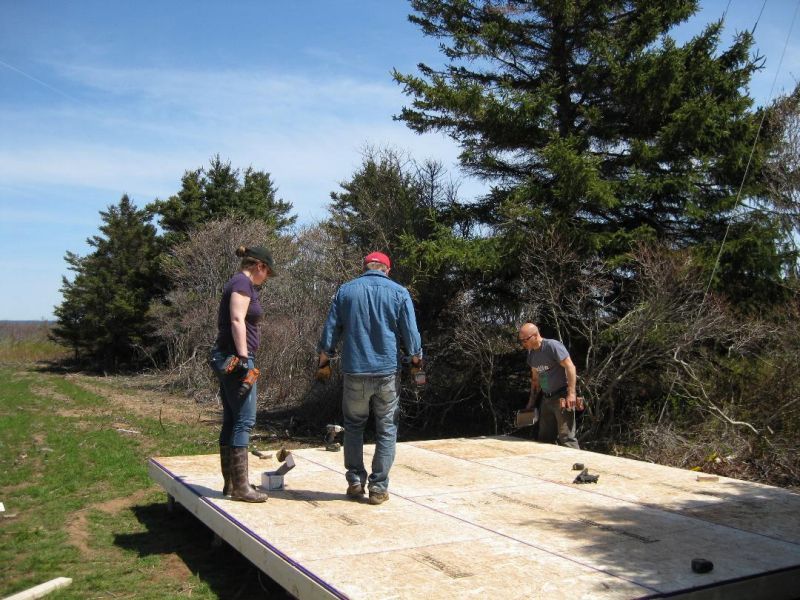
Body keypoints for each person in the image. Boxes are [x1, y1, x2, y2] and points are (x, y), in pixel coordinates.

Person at [316, 251, 423, 505]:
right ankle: (378, 487)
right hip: (386, 372)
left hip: (355, 371)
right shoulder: (399, 292)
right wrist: (416, 360)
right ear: (387, 269)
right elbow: (410, 333)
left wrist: (324, 360)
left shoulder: (346, 291)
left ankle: (354, 480)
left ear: (365, 267)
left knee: (353, 426)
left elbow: (330, 329)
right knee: (387, 429)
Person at [210, 245, 276, 502]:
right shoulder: (242, 283)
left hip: (230, 356)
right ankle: (240, 488)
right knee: (244, 420)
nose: (267, 278)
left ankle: (231, 485)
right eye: (267, 272)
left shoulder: (239, 283)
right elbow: (237, 319)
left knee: (231, 418)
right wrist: (245, 358)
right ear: (259, 266)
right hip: (237, 359)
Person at [518, 323, 580, 449]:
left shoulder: (552, 346)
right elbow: (536, 379)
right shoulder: (532, 355)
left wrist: (571, 394)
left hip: (562, 397)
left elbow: (570, 367)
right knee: (544, 438)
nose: (523, 343)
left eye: (525, 340)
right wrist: (531, 402)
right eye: (521, 340)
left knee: (567, 438)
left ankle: (579, 465)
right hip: (546, 399)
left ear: (535, 336)